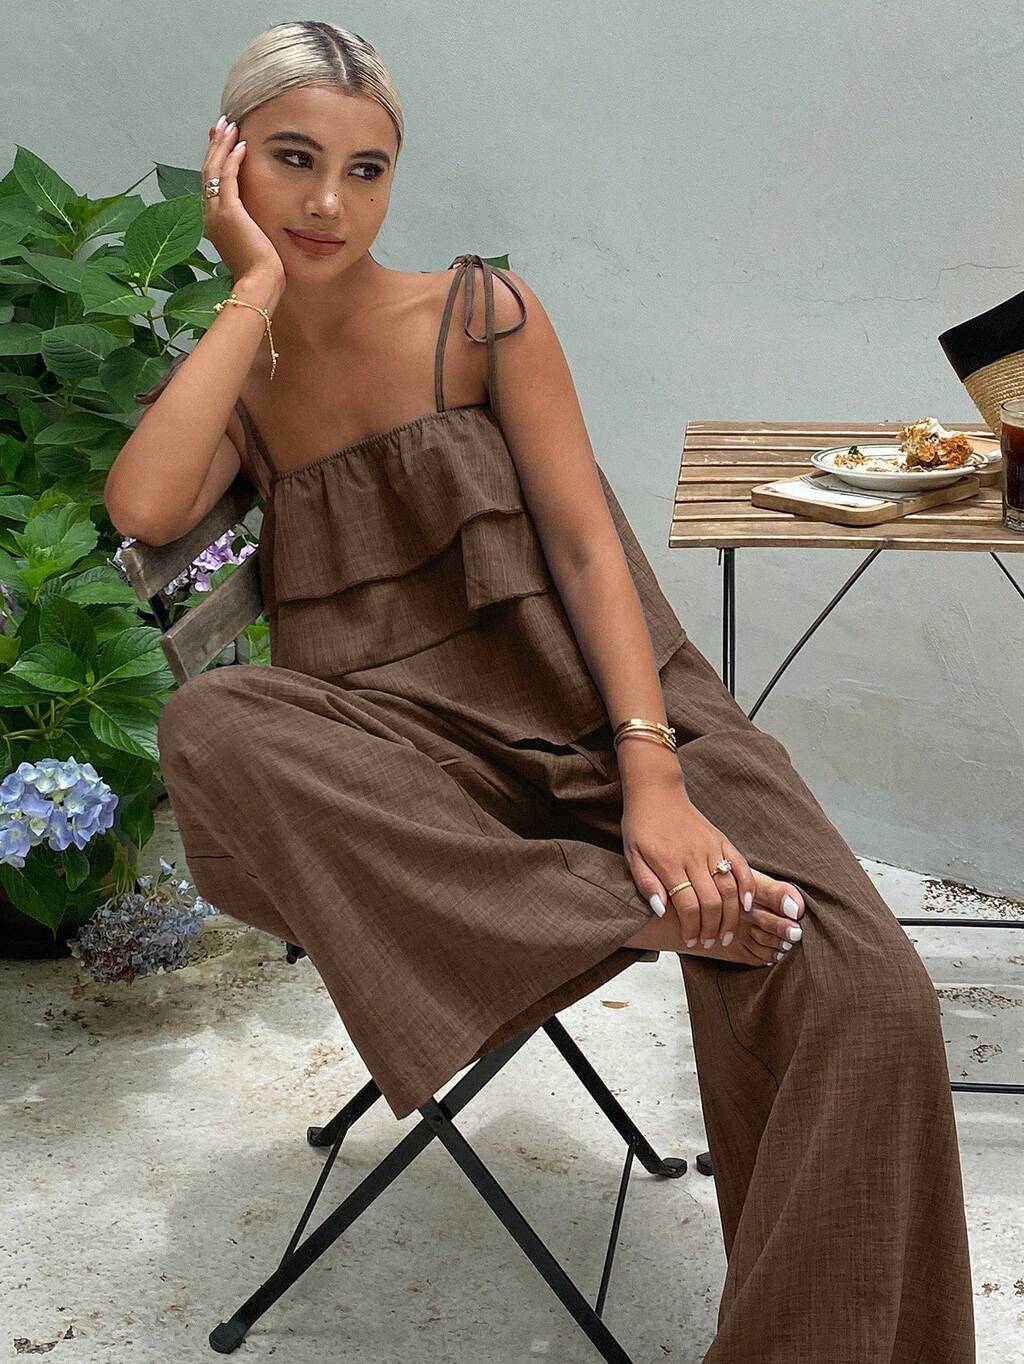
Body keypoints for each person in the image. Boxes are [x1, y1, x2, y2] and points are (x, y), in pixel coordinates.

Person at [108, 21, 975, 1362]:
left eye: (366, 170)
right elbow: (146, 508)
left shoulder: (480, 315)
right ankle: (654, 912)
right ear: (227, 165)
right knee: (208, 722)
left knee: (869, 992)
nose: (330, 203)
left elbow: (582, 547)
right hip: (420, 773)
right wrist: (252, 290)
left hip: (617, 715)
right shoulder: (247, 377)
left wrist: (654, 778)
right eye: (292, 161)